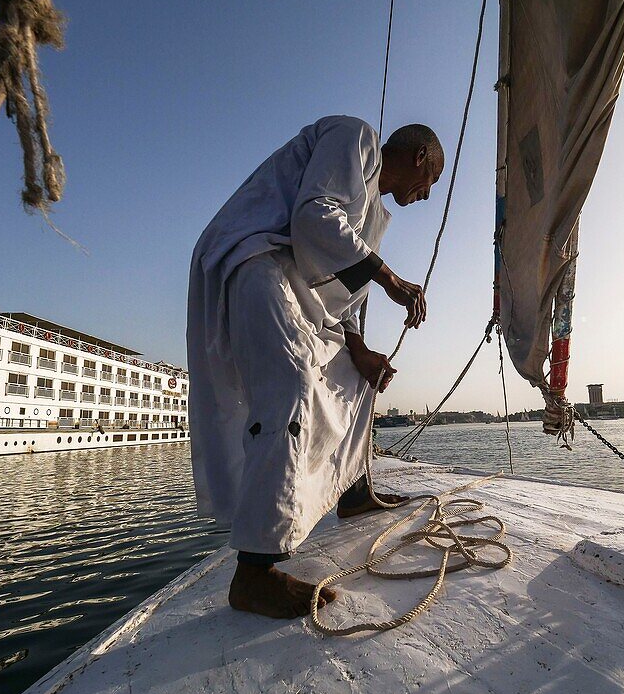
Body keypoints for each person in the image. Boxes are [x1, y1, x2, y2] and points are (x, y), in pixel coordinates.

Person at [187, 116, 443, 618]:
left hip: (301, 291)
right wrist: (390, 279)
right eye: (431, 180)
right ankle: (254, 574)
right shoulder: (356, 137)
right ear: (419, 160)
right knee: (290, 382)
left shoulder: (370, 216)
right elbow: (312, 218)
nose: (428, 195)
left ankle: (354, 491)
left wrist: (360, 348)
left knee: (359, 377)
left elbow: (341, 302)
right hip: (258, 257)